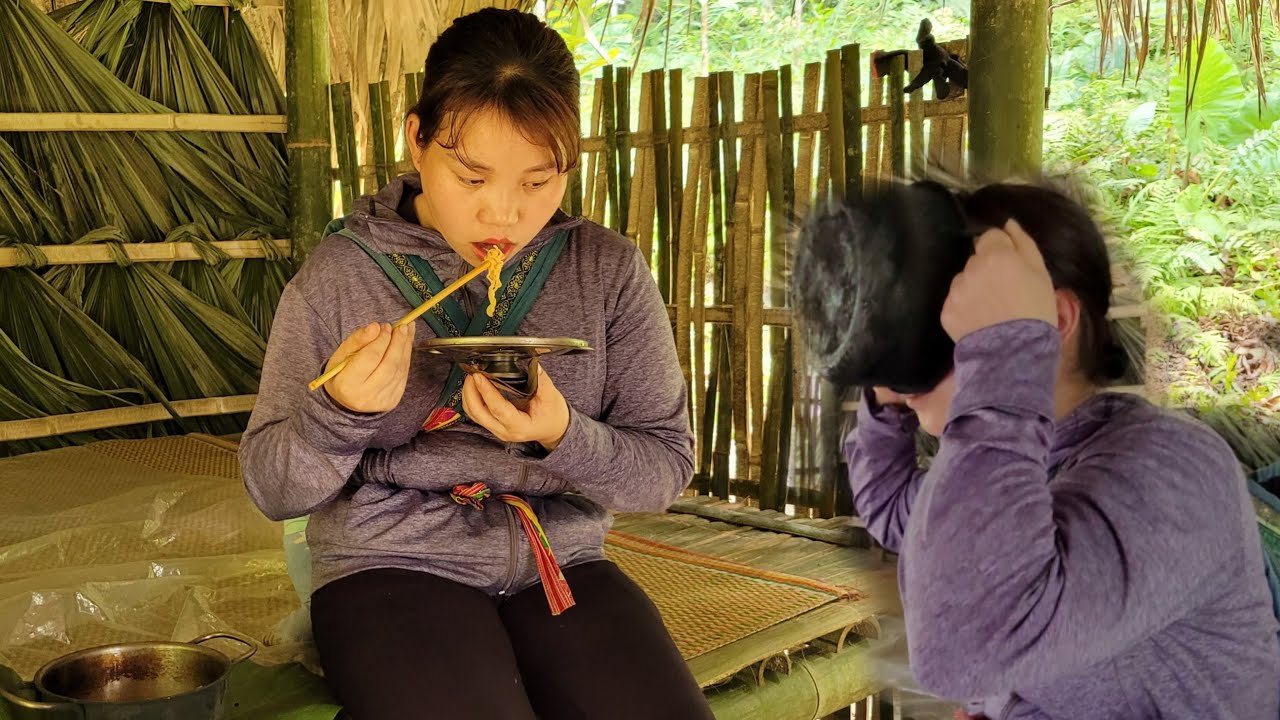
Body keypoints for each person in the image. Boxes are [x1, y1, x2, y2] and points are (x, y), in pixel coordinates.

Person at [238, 9, 714, 719]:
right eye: (473, 177)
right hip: (389, 564)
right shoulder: (342, 274)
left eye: (537, 182)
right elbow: (272, 488)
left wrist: (563, 436)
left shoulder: (605, 270)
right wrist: (336, 416)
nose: (505, 215)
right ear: (416, 139)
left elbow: (665, 470)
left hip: (561, 562)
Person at [800, 180, 1280, 719]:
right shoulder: (1008, 464)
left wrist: (1003, 355)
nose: (917, 345)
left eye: (956, 320)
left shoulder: (1175, 470)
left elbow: (965, 650)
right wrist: (886, 397)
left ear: (1050, 324)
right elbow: (892, 509)